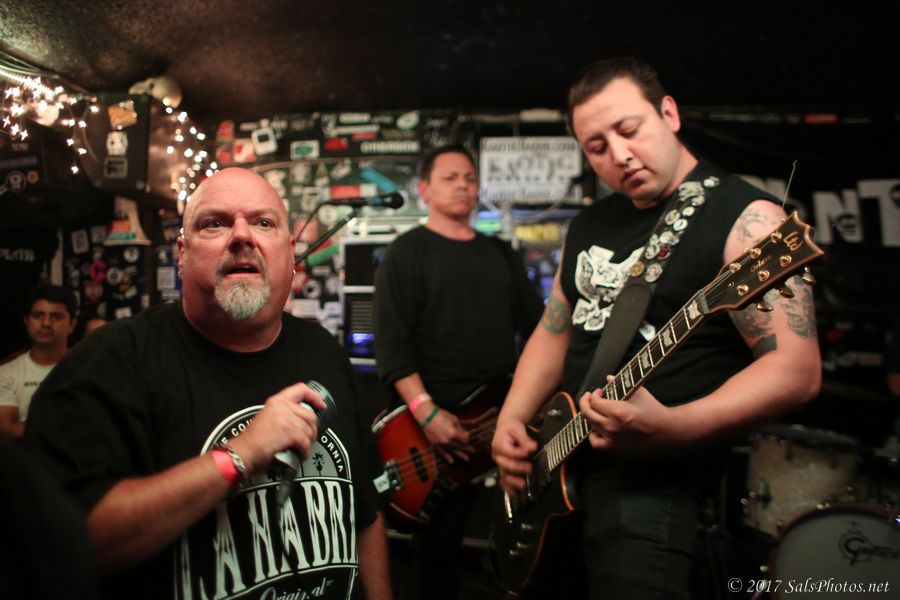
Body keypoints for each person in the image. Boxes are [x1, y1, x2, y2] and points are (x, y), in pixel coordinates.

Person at [491, 58, 821, 599]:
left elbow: (796, 370)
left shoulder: (748, 219)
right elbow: (555, 330)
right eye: (597, 146)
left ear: (668, 113)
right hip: (561, 466)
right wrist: (512, 416)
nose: (619, 155)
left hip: (655, 487)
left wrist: (674, 427)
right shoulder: (590, 223)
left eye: (629, 129)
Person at [25, 168, 393, 600]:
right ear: (182, 254)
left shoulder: (324, 352)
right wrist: (237, 456)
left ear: (290, 252)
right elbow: (68, 544)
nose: (242, 236)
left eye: (263, 222)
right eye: (215, 223)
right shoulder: (108, 365)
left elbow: (365, 514)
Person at [374, 144, 542, 599]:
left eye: (470, 178)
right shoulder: (405, 253)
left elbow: (541, 333)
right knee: (437, 555)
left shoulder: (501, 254)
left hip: (498, 418)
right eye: (450, 178)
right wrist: (427, 413)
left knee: (520, 543)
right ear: (424, 189)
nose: (463, 186)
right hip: (431, 430)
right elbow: (392, 346)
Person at [0, 282, 76, 439]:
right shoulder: (6, 374)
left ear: (72, 325)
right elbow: (7, 429)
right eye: (38, 315)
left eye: (56, 316)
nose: (46, 323)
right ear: (27, 321)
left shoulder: (87, 370)